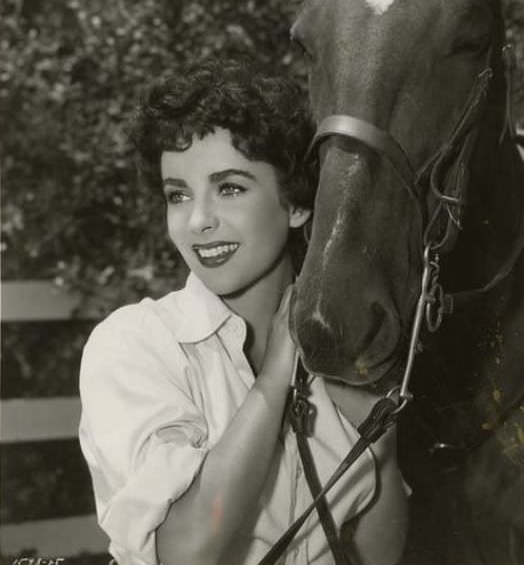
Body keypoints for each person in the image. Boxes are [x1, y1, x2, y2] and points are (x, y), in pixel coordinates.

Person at [78, 59, 408, 565]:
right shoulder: (136, 344)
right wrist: (275, 377)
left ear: (296, 204)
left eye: (229, 188)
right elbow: (184, 549)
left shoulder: (343, 359)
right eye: (178, 195)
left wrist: (380, 448)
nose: (198, 221)